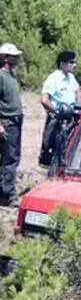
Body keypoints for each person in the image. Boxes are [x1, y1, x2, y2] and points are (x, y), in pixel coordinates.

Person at [41, 50, 81, 169]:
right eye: (71, 62)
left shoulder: (71, 77)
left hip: (70, 118)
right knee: (53, 148)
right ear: (62, 63)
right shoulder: (53, 78)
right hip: (58, 119)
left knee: (68, 147)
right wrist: (56, 110)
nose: (74, 65)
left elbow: (77, 91)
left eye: (74, 62)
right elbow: (44, 99)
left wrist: (78, 107)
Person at [0, 43, 23, 206]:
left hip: (15, 121)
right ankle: (9, 195)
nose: (17, 59)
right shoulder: (1, 76)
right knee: (9, 159)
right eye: (14, 56)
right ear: (6, 58)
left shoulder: (12, 75)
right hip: (6, 123)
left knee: (11, 157)